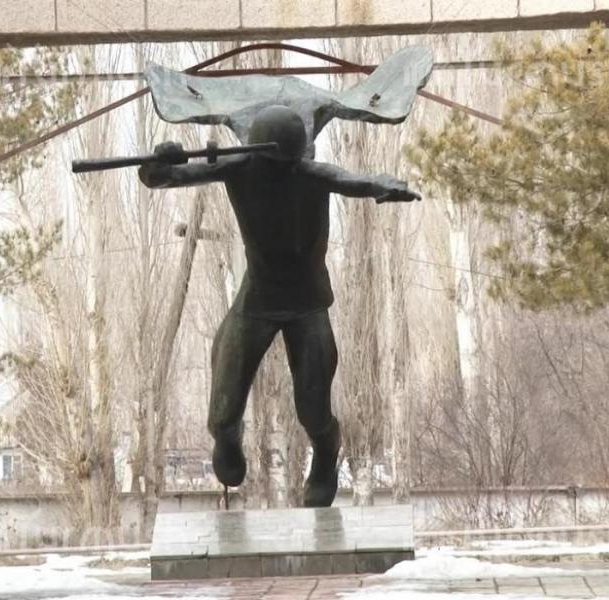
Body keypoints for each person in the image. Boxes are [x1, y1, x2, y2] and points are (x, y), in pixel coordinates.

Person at [139, 105, 420, 507]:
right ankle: (227, 438)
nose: (285, 172)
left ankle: (325, 452)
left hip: (308, 304)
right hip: (257, 300)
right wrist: (159, 164)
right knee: (221, 412)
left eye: (291, 165)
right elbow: (164, 178)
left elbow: (354, 181)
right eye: (278, 165)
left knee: (314, 411)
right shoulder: (239, 168)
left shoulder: (311, 174)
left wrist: (385, 186)